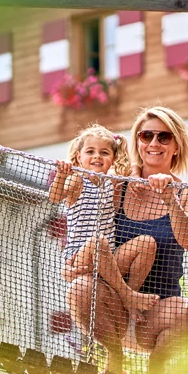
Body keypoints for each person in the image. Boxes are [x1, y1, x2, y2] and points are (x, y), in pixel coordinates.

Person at [65, 107, 188, 374]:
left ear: (177, 146)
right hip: (112, 309)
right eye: (146, 135)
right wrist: (78, 263)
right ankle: (115, 358)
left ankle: (156, 370)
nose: (154, 143)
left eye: (164, 137)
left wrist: (170, 201)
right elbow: (82, 212)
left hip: (154, 313)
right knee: (80, 287)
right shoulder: (119, 185)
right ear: (137, 142)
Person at [49, 124, 158, 328]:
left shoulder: (111, 183)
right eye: (90, 152)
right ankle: (128, 296)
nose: (97, 156)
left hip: (108, 260)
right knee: (98, 241)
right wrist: (61, 174)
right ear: (79, 157)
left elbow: (131, 167)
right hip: (81, 258)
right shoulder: (76, 180)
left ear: (113, 159)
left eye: (104, 152)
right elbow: (55, 198)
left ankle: (127, 296)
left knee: (147, 243)